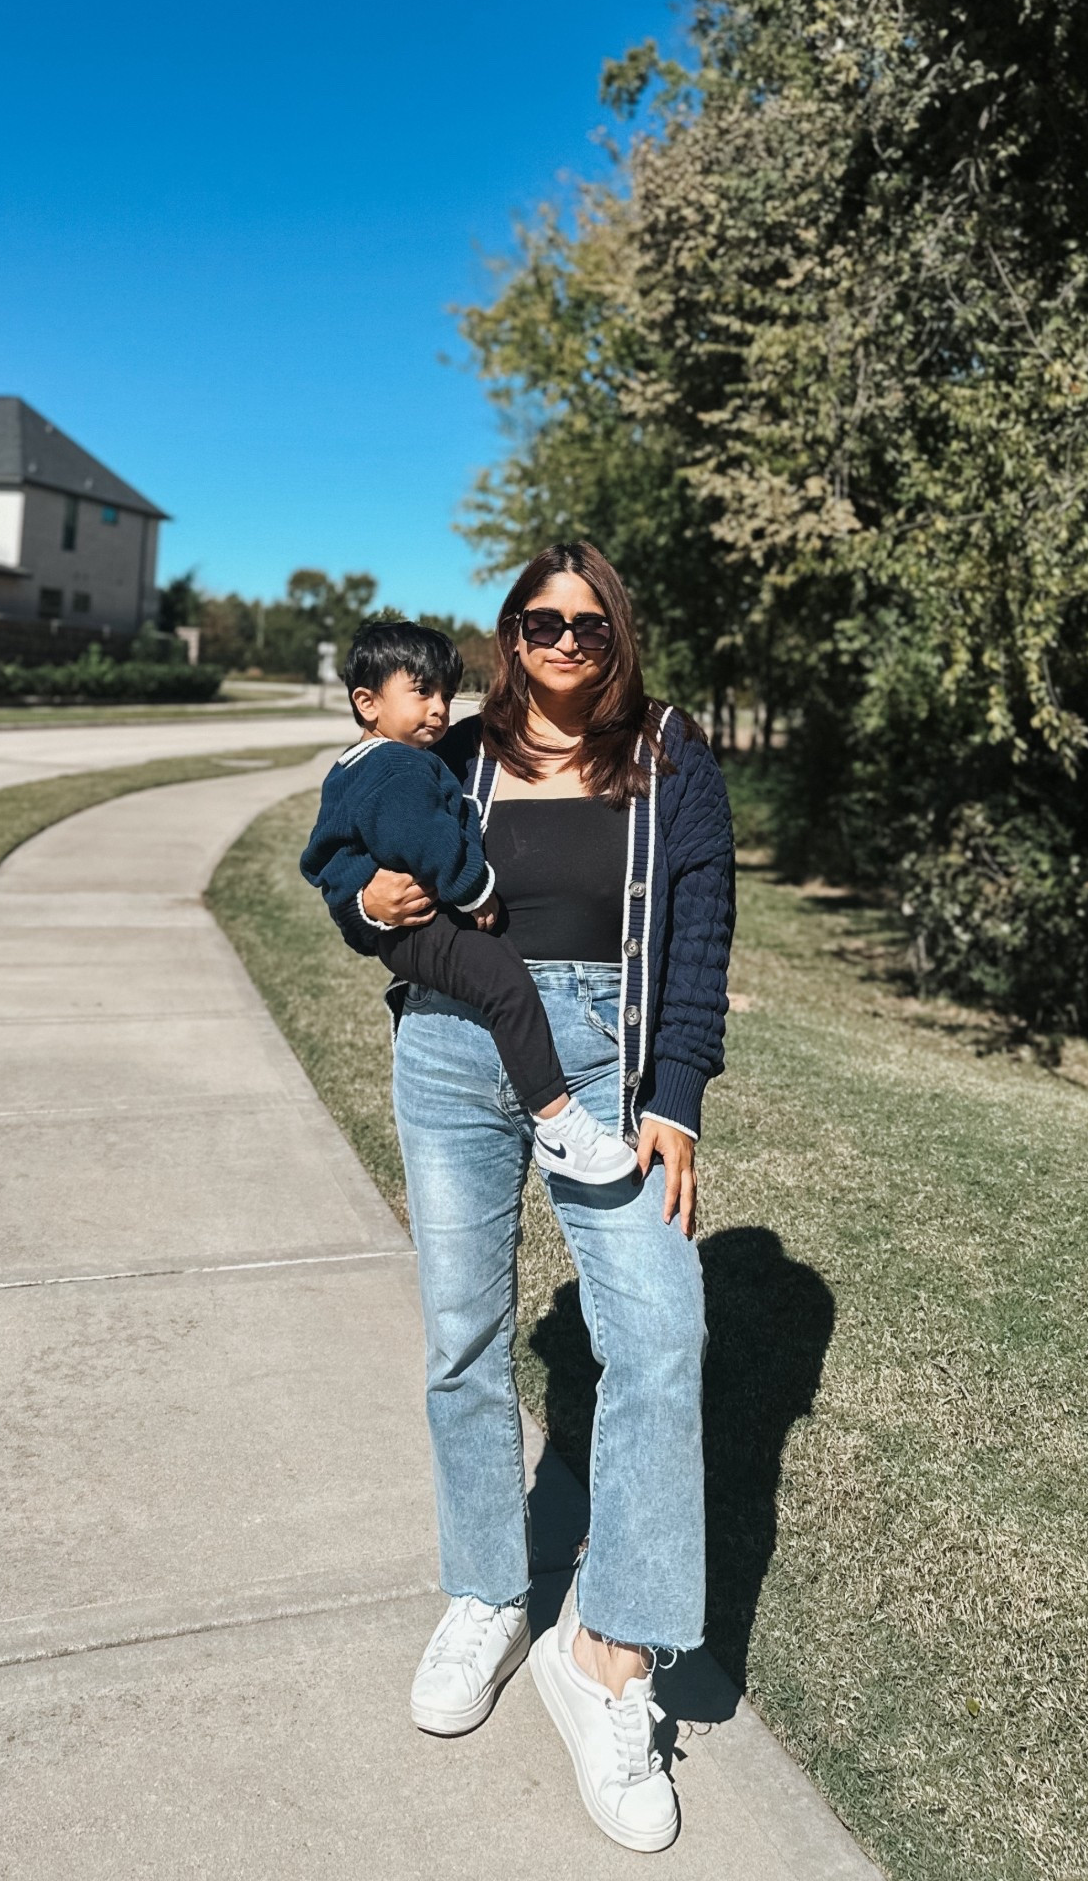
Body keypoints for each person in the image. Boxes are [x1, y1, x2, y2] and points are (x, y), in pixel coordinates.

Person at [330, 542, 735, 1856]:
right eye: (539, 622)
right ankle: (486, 1592)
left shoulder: (671, 757)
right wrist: (359, 899)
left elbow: (700, 930)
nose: (564, 644)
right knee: (463, 1334)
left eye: (589, 627)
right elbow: (346, 853)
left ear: (620, 640)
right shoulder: (447, 753)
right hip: (450, 1049)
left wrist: (675, 1096)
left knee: (661, 1334)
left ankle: (605, 1651)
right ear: (508, 635)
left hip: (605, 1066)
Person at [300, 619, 639, 1185]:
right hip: (423, 927)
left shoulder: (355, 767)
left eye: (447, 696)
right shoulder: (398, 767)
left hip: (405, 931)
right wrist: (474, 888)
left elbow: (328, 857)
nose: (439, 709)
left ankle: (548, 1114)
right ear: (367, 702)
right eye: (422, 692)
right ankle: (557, 1122)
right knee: (506, 983)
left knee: (498, 979)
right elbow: (424, 839)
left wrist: (359, 894)